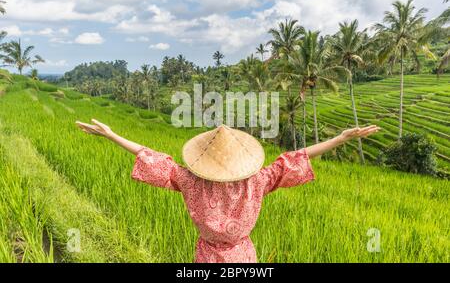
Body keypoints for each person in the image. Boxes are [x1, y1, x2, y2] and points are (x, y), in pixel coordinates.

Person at [76, 119, 380, 263]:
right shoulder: (256, 181)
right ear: (241, 160)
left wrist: (113, 135)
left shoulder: (190, 181)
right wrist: (339, 138)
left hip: (206, 257)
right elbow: (294, 158)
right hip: (244, 257)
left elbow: (153, 157)